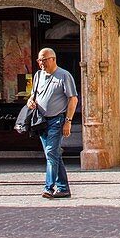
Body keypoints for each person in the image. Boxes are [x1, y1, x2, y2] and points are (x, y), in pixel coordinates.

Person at [26, 48, 78, 199]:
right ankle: (63, 188)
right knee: (53, 155)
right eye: (39, 60)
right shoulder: (38, 75)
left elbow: (73, 99)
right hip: (41, 121)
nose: (41, 63)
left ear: (53, 59)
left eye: (44, 60)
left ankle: (49, 188)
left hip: (57, 120)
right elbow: (32, 95)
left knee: (50, 153)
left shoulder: (64, 75)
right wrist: (30, 101)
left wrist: (68, 121)